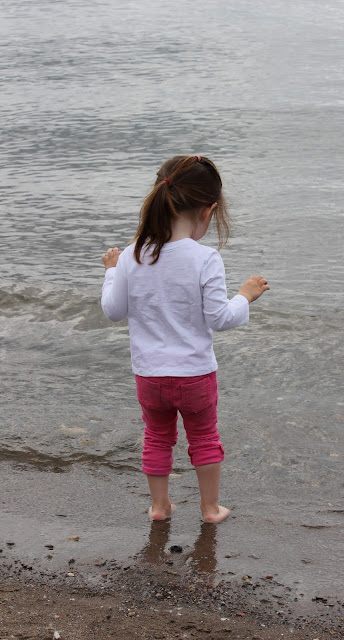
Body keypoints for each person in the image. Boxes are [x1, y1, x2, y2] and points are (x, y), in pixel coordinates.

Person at [101, 155, 269, 523]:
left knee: (156, 437)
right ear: (208, 210)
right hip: (194, 374)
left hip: (149, 375)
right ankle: (210, 509)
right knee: (204, 437)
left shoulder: (131, 255)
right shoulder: (205, 258)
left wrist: (111, 272)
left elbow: (113, 311)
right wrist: (245, 296)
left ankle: (160, 507)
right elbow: (220, 318)